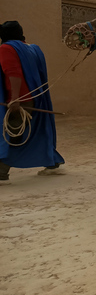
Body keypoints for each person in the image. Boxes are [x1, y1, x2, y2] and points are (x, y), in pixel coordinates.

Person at [0, 21, 65, 184]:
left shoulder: (7, 48)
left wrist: (15, 98)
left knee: (13, 133)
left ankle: (1, 171)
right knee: (40, 130)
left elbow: (13, 73)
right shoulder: (33, 48)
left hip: (20, 100)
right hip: (36, 98)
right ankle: (53, 163)